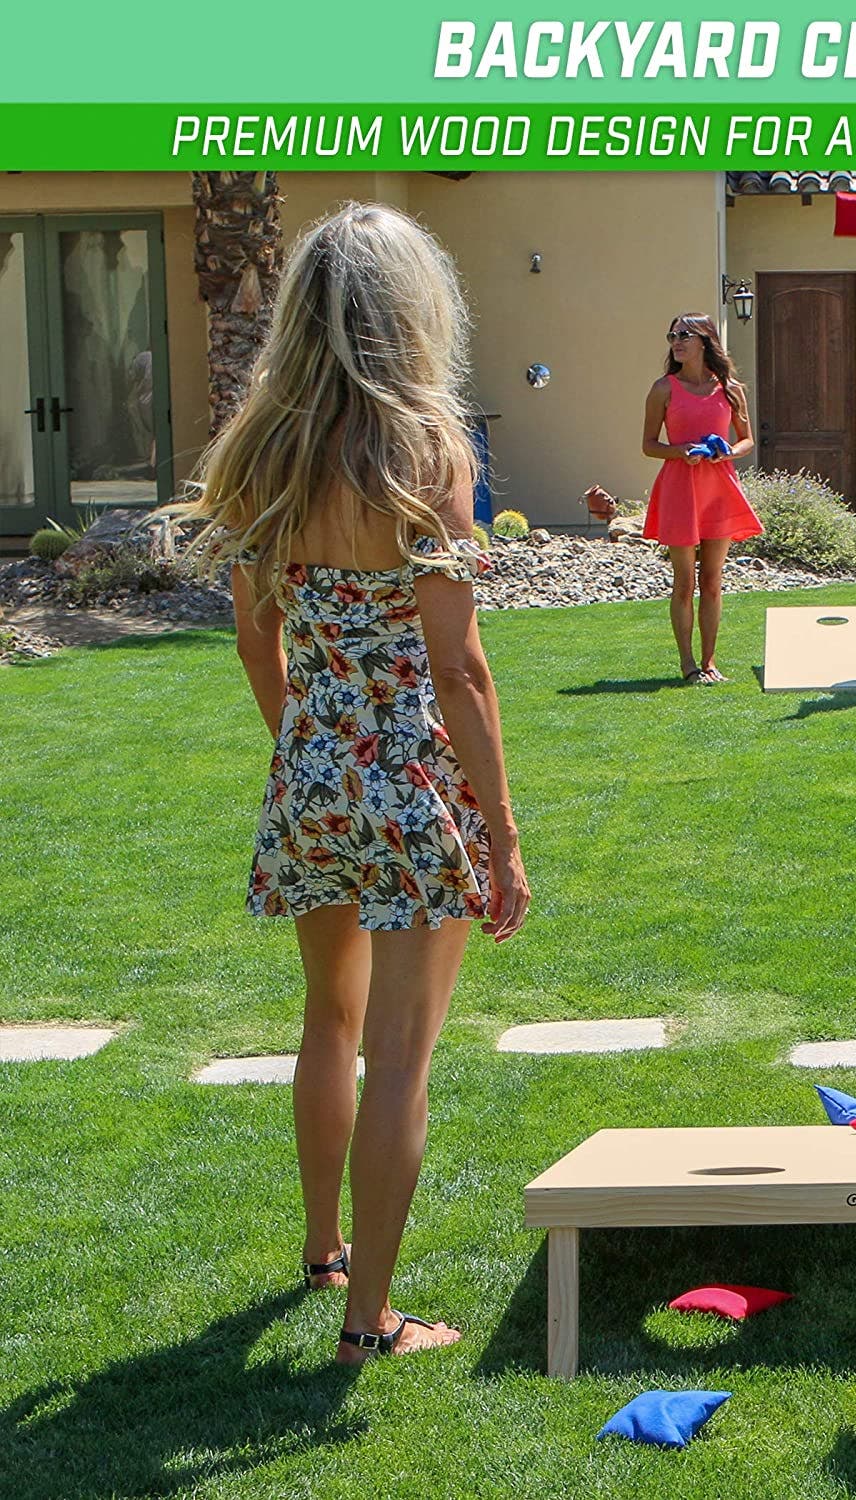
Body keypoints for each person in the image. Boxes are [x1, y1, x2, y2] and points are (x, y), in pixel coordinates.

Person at [186, 203, 530, 1363]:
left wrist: (310, 749)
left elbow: (256, 642)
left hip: (314, 775)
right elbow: (459, 667)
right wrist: (502, 831)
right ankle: (370, 1321)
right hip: (411, 781)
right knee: (402, 1056)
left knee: (327, 1020)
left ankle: (324, 1250)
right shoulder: (429, 450)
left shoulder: (265, 447)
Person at [641, 312, 762, 684]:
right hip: (680, 488)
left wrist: (727, 453)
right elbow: (649, 445)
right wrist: (680, 451)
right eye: (673, 335)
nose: (676, 342)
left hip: (719, 489)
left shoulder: (729, 388)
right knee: (684, 582)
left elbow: (747, 440)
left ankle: (710, 663)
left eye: (684, 335)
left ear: (705, 341)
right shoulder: (663, 388)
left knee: (712, 580)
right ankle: (688, 665)